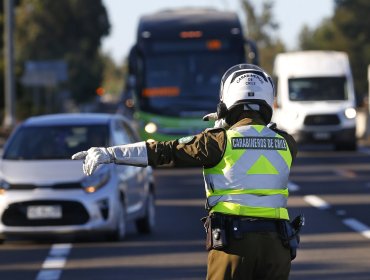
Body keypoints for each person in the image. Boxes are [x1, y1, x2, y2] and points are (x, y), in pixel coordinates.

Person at [72, 64, 303, 280]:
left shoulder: (218, 141)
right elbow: (256, 140)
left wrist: (111, 153)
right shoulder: (287, 142)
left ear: (227, 100)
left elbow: (165, 151)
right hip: (277, 246)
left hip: (235, 244)